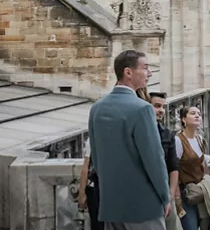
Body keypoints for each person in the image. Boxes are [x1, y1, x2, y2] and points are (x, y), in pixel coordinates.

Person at [88, 50, 171, 230]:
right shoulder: (142, 109)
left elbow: (96, 158)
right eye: (145, 68)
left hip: (111, 205)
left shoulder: (96, 108)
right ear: (128, 72)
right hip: (143, 207)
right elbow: (154, 160)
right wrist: (165, 197)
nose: (149, 73)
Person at [175, 106, 210, 230]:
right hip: (185, 192)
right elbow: (174, 168)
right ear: (183, 119)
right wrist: (177, 198)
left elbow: (201, 158)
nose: (197, 116)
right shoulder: (178, 140)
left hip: (201, 190)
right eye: (193, 113)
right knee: (191, 226)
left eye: (199, 113)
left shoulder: (199, 138)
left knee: (205, 225)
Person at [148, 92, 183, 230]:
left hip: (165, 194)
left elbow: (173, 167)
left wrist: (171, 194)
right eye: (157, 106)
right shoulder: (137, 132)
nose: (161, 110)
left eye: (163, 107)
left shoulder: (167, 134)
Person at [78, 137, 104, 230]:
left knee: (97, 224)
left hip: (94, 188)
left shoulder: (93, 137)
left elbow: (85, 168)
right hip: (105, 188)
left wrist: (82, 194)